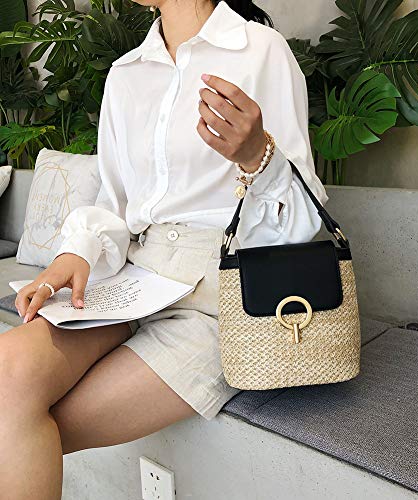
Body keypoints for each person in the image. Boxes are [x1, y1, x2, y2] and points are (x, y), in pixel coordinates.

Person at [0, 0, 328, 498]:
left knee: (24, 425)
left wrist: (257, 156)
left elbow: (302, 219)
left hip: (225, 292)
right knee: (7, 381)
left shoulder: (260, 50)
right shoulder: (126, 74)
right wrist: (76, 253)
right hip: (135, 277)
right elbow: (115, 200)